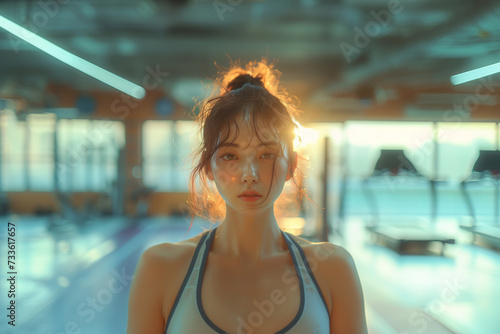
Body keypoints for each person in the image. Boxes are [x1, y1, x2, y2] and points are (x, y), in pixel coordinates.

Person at [126, 59, 368, 334]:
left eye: (267, 155)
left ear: (291, 166)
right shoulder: (160, 269)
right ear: (208, 168)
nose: (249, 174)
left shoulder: (332, 268)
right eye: (230, 156)